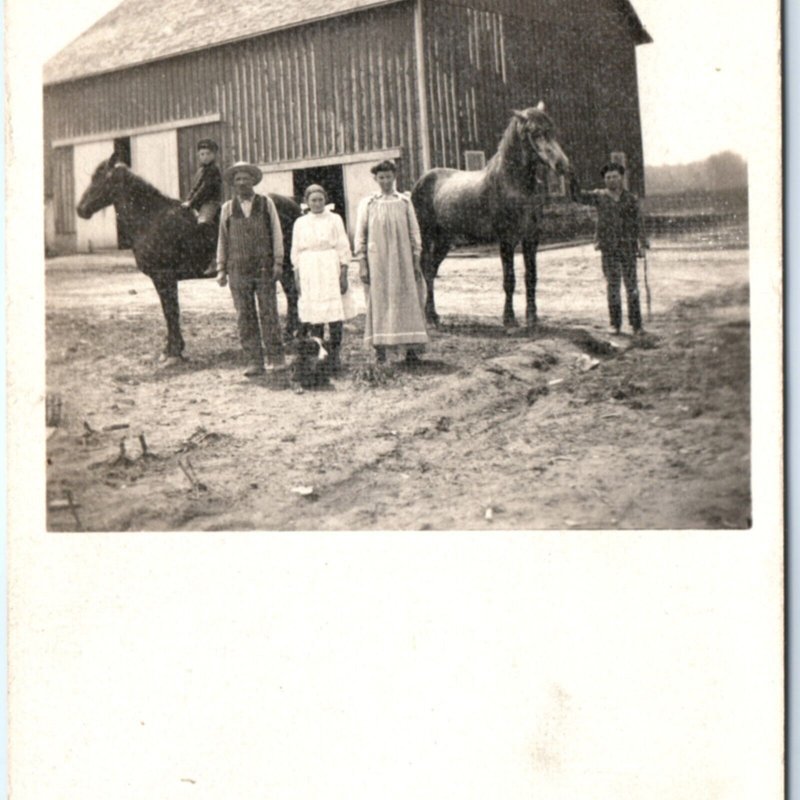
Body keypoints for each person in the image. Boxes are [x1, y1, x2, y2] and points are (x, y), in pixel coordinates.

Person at [353, 160, 428, 364]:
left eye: (388, 176)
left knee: (406, 298)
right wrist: (362, 263)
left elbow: (414, 232)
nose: (385, 181)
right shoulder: (368, 203)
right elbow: (360, 234)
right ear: (376, 179)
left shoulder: (404, 202)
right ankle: (381, 350)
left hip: (402, 258)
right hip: (378, 260)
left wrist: (415, 258)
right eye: (381, 177)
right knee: (379, 300)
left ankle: (411, 350)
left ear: (394, 177)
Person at [216, 161, 286, 377]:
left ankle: (276, 359)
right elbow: (222, 239)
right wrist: (221, 268)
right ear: (233, 184)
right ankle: (254, 361)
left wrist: (278, 262)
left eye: (246, 178)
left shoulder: (266, 204)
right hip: (238, 269)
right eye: (238, 179)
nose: (242, 182)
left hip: (264, 267)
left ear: (253, 181)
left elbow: (276, 232)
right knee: (244, 315)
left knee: (269, 313)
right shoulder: (227, 208)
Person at [573, 162, 649, 335]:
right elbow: (577, 196)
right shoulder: (599, 196)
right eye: (608, 177)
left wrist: (642, 244)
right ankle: (615, 324)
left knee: (632, 287)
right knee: (613, 287)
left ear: (621, 178)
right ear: (604, 180)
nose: (611, 180)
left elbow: (639, 223)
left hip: (628, 247)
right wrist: (571, 178)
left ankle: (636, 325)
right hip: (608, 248)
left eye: (615, 176)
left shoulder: (631, 199)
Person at [290, 184, 355, 373]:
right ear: (306, 202)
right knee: (315, 317)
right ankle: (318, 358)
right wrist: (297, 275)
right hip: (309, 269)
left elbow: (343, 246)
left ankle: (335, 356)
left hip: (330, 267)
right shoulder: (300, 223)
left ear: (325, 200)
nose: (317, 203)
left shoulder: (334, 219)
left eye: (320, 199)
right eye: (313, 200)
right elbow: (295, 251)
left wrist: (343, 273)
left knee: (334, 316)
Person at [182, 138, 223, 277]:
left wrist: (191, 202)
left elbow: (205, 189)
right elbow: (195, 188)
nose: (204, 157)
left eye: (207, 154)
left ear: (214, 155)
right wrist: (187, 200)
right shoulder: (200, 171)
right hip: (199, 204)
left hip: (210, 202)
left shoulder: (213, 170)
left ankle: (215, 260)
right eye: (201, 154)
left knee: (204, 224)